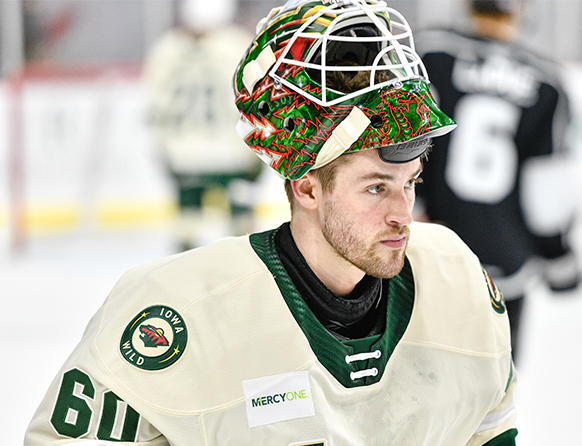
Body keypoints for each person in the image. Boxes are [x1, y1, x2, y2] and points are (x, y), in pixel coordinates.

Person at [24, 1, 519, 445]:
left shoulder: (457, 281)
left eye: (408, 182)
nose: (402, 214)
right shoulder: (179, 314)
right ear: (306, 187)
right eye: (374, 187)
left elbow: (489, 427)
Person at [416, 0, 581, 362]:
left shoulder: (429, 54)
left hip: (428, 257)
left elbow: (399, 148)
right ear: (521, 8)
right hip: (505, 269)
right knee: (493, 401)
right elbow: (547, 193)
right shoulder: (546, 83)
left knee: (419, 392)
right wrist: (558, 257)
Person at [144, 0, 264, 251]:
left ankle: (182, 270)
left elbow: (156, 107)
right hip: (231, 154)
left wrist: (164, 150)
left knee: (187, 216)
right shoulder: (236, 44)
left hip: (183, 155)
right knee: (241, 215)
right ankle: (247, 266)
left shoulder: (166, 49)